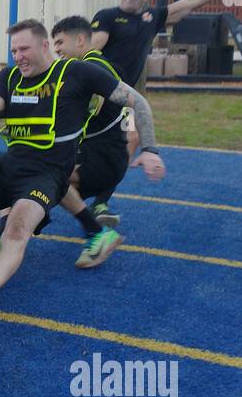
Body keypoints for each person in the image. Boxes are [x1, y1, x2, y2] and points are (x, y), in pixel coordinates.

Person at [0, 19, 164, 324]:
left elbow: (139, 103)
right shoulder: (9, 77)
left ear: (44, 46)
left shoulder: (76, 72)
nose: (18, 56)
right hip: (9, 164)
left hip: (47, 176)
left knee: (16, 229)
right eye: (14, 50)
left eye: (24, 48)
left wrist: (150, 149)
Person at [84, 0, 242, 225]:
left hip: (125, 101)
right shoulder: (107, 17)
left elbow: (192, 1)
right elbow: (90, 51)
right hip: (101, 96)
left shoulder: (152, 18)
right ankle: (55, 191)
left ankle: (100, 202)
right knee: (76, 145)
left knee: (133, 139)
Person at [50, 15, 161, 267]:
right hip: (104, 155)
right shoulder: (96, 67)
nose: (56, 50)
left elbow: (130, 104)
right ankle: (97, 211)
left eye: (59, 43)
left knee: (45, 175)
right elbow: (124, 110)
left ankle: (98, 233)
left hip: (100, 157)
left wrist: (149, 148)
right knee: (45, 186)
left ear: (79, 40)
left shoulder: (91, 68)